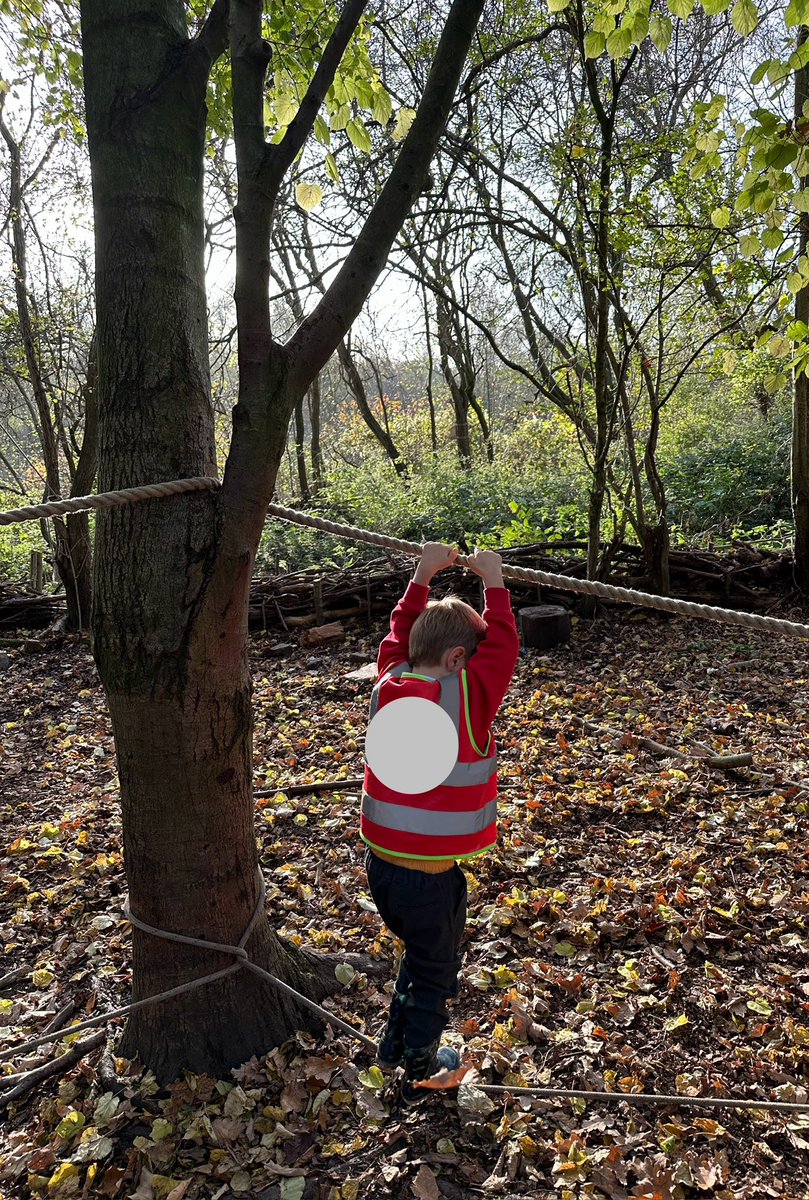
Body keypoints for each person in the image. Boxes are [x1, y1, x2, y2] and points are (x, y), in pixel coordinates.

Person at [361, 541, 520, 1105]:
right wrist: (494, 582)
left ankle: (393, 1045)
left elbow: (396, 635)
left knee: (420, 958)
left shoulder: (389, 679)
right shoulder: (469, 695)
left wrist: (423, 574)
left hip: (382, 866)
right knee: (435, 973)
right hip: (428, 878)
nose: (478, 666)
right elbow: (503, 649)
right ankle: (421, 1065)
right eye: (470, 659)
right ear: (457, 660)